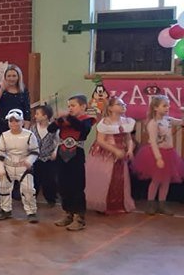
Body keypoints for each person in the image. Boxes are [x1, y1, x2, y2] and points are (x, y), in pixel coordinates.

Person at [133, 94, 184, 216]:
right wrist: (158, 158)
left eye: (168, 105)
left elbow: (182, 123)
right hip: (156, 154)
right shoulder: (153, 123)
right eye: (164, 106)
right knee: (156, 180)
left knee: (166, 181)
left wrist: (183, 113)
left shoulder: (168, 119)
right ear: (155, 108)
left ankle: (162, 204)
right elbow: (153, 142)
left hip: (169, 153)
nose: (167, 108)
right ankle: (150, 204)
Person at [50, 95, 95, 231]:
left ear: (83, 106)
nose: (70, 108)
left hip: (76, 156)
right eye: (68, 106)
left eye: (73, 106)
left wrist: (68, 117)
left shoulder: (87, 120)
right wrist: (58, 119)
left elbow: (82, 129)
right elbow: (50, 129)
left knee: (77, 186)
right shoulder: (64, 120)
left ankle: (79, 218)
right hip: (61, 155)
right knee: (63, 185)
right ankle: (68, 214)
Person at [86, 97, 136, 215]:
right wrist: (115, 150)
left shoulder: (126, 121)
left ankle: (118, 204)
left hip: (120, 154)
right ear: (110, 108)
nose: (123, 106)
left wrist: (130, 150)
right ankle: (104, 204)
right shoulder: (105, 122)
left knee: (120, 179)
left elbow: (128, 139)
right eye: (119, 104)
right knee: (106, 178)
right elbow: (100, 140)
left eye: (124, 104)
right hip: (107, 154)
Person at [0, 109, 39, 222]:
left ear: (22, 122)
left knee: (28, 190)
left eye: (17, 121)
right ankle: (5, 210)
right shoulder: (4, 136)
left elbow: (35, 151)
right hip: (8, 166)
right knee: (3, 188)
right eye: (11, 121)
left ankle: (31, 212)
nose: (14, 124)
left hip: (24, 168)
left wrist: (29, 161)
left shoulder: (29, 135)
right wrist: (0, 168)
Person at [0, 64, 31, 147]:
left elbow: (27, 110)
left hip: (17, 126)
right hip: (0, 125)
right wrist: (1, 90)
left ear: (18, 77)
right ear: (5, 77)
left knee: (17, 149)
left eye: (14, 76)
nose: (11, 78)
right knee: (1, 149)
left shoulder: (23, 90)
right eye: (9, 76)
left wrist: (26, 129)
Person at [31, 104, 59, 207]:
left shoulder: (54, 128)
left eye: (37, 114)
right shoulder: (33, 128)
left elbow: (59, 141)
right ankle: (31, 198)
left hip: (48, 159)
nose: (35, 116)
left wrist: (55, 152)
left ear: (45, 116)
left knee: (49, 180)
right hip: (35, 158)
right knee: (34, 179)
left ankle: (51, 199)